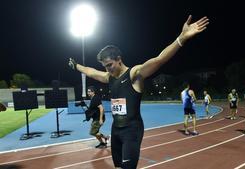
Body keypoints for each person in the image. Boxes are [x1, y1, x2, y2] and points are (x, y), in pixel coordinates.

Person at [69, 15, 209, 169]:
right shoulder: (109, 77)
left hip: (132, 131)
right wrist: (76, 66)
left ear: (119, 59)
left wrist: (181, 38)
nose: (107, 69)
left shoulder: (134, 74)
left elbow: (158, 60)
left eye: (109, 64)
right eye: (105, 66)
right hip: (115, 130)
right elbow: (91, 72)